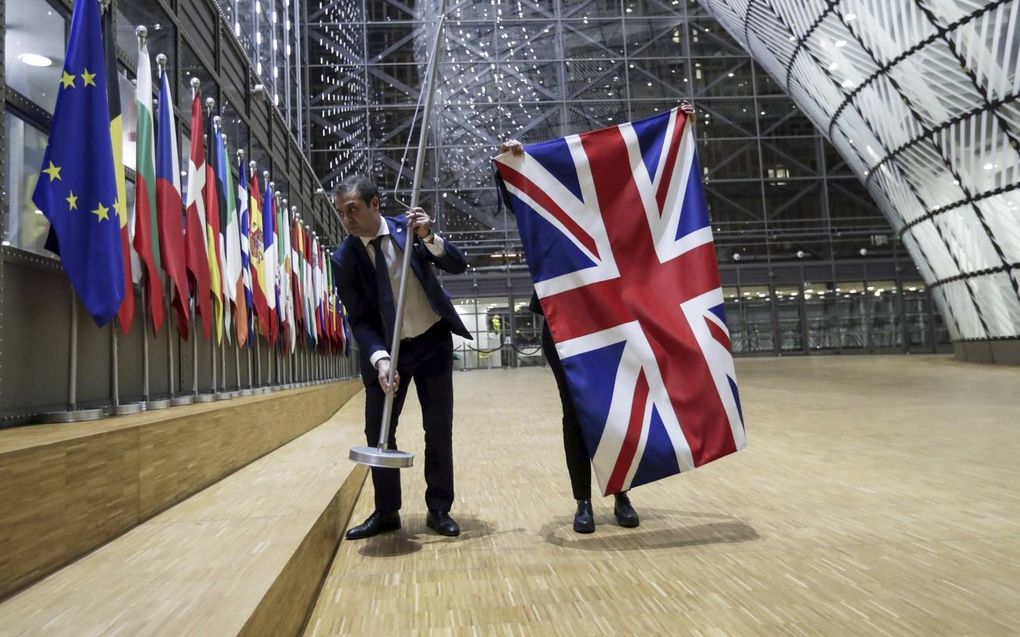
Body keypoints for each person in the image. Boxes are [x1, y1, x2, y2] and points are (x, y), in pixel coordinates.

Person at [331, 175, 472, 539]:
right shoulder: (343, 258)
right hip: (386, 354)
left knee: (438, 428)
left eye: (353, 210)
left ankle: (439, 509)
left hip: (431, 343)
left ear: (375, 204)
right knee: (379, 430)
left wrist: (429, 237)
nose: (347, 220)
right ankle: (387, 511)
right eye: (341, 214)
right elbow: (359, 318)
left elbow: (457, 265)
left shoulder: (409, 231)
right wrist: (380, 359)